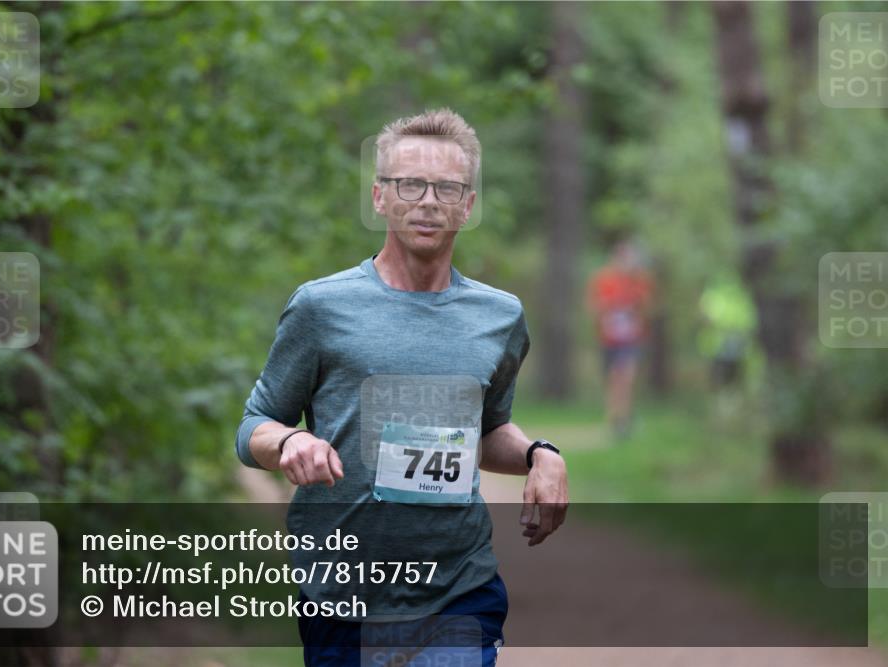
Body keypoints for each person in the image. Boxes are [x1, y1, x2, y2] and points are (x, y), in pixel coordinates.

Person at [236, 108, 569, 666]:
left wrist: (541, 454)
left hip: (460, 589)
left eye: (447, 188)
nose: (428, 201)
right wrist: (291, 441)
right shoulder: (321, 307)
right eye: (410, 184)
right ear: (379, 197)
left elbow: (486, 432)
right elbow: (253, 427)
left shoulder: (500, 317)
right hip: (342, 594)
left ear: (468, 204)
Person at [587, 240, 653, 439]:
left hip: (631, 339)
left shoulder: (639, 280)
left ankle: (623, 419)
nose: (627, 262)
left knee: (627, 377)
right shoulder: (604, 280)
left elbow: (648, 307)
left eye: (630, 258)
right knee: (614, 379)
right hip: (609, 338)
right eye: (623, 258)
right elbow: (594, 306)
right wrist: (610, 306)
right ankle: (615, 418)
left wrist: (635, 305)